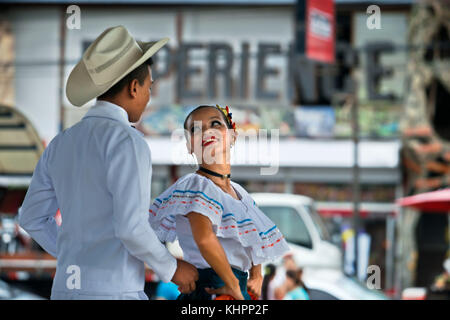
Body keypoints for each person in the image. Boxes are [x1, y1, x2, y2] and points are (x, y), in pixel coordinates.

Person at [18, 26, 198, 300]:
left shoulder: (61, 142)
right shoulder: (129, 143)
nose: (149, 97)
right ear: (133, 88)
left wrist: (73, 252)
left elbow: (31, 217)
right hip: (115, 292)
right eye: (149, 87)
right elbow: (131, 227)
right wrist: (173, 268)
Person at [148, 104, 290, 300]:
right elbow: (205, 239)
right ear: (189, 146)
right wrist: (232, 284)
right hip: (211, 291)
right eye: (196, 129)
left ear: (233, 136)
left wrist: (256, 275)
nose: (207, 131)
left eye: (215, 124)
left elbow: (253, 237)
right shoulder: (196, 185)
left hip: (236, 290)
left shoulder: (240, 193)